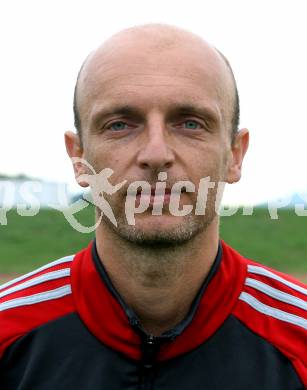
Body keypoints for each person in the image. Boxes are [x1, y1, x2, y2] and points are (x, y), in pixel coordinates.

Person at [0, 24, 306, 389]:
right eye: (119, 125)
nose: (156, 154)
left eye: (191, 123)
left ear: (235, 155)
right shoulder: (9, 333)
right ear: (78, 158)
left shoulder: (297, 339)